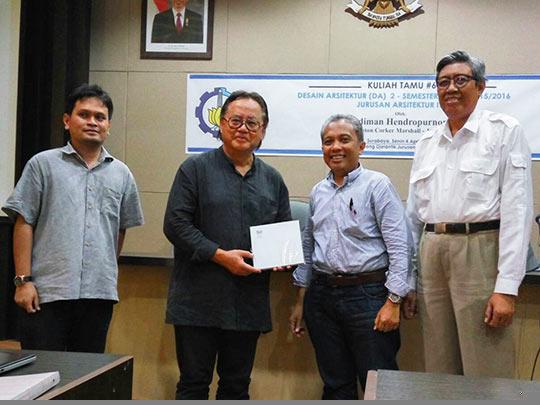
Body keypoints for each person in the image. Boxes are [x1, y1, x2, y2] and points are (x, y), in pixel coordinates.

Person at [406, 50, 533, 378]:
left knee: (485, 364)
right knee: (438, 363)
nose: (451, 88)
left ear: (480, 86)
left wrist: (506, 287)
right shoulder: (426, 142)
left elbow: (517, 211)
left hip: (479, 251)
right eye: (443, 82)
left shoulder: (503, 131)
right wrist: (408, 279)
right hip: (431, 252)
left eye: (460, 80)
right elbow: (413, 217)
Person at [163, 90, 291, 400]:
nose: (243, 128)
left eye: (252, 122)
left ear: (263, 130)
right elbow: (176, 225)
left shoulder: (273, 180)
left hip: (247, 303)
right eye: (235, 120)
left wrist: (283, 256)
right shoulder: (194, 170)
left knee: (236, 387)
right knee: (193, 384)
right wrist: (220, 256)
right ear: (221, 124)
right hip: (197, 302)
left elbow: (282, 234)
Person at [2, 84, 144, 353]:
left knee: (88, 372)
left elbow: (119, 228)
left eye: (100, 117)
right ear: (67, 121)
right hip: (46, 292)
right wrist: (23, 281)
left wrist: (106, 274)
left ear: (108, 125)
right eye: (84, 115)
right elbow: (24, 222)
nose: (92, 122)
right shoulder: (42, 164)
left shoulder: (122, 174)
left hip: (98, 295)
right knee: (44, 371)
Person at [290, 114, 411, 400]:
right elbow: (309, 247)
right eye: (328, 141)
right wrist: (301, 300)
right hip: (322, 298)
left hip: (368, 297)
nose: (335, 147)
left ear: (361, 146)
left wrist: (394, 301)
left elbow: (400, 246)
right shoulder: (318, 192)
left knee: (378, 386)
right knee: (335, 385)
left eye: (344, 140)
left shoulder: (377, 185)